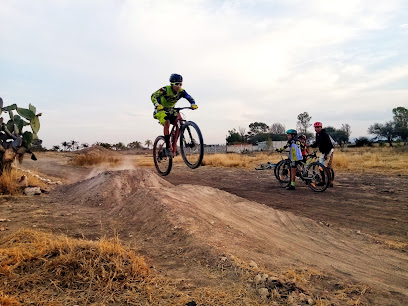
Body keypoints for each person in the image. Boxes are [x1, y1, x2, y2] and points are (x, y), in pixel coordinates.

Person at [151, 74, 198, 156]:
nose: (178, 86)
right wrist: (157, 104)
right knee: (167, 122)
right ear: (171, 84)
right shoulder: (165, 89)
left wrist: (193, 104)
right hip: (160, 110)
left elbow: (189, 97)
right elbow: (153, 96)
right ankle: (168, 148)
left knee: (180, 122)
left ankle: (175, 142)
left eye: (180, 84)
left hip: (172, 110)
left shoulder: (181, 92)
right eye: (176, 84)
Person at [310, 122, 334, 186]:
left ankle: (330, 182)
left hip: (328, 151)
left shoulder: (325, 134)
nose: (316, 129)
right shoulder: (317, 135)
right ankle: (323, 181)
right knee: (320, 167)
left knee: (327, 167)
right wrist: (310, 145)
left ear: (321, 127)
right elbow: (317, 143)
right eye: (315, 127)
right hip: (323, 152)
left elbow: (328, 144)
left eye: (318, 127)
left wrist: (326, 154)